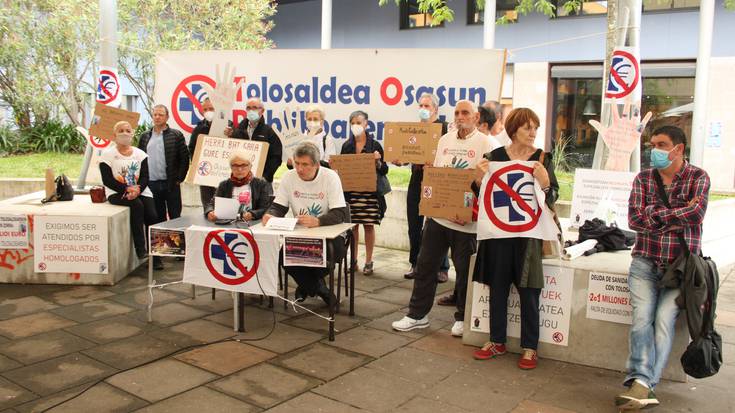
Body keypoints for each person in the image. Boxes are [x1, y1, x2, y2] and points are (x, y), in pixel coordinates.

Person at [615, 125, 710, 410]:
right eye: (652, 144)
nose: (653, 149)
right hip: (644, 262)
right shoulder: (644, 179)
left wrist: (654, 214)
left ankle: (643, 383)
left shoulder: (698, 177)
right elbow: (633, 219)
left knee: (664, 320)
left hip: (680, 268)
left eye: (660, 144)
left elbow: (697, 213)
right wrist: (675, 216)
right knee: (642, 319)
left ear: (678, 149)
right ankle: (643, 384)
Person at [392, 100, 497, 338]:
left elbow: (491, 184)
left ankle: (462, 317)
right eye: (458, 113)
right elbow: (438, 174)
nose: (460, 116)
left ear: (476, 116)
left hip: (466, 222)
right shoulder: (444, 140)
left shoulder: (487, 144)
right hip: (439, 219)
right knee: (425, 266)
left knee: (463, 273)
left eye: (466, 113)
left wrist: (471, 211)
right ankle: (417, 315)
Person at [471, 108, 558, 371]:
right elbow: (483, 195)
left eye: (535, 128)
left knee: (529, 291)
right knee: (497, 288)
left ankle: (530, 347)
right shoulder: (494, 157)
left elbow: (552, 196)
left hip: (528, 235)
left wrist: (545, 184)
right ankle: (496, 341)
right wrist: (476, 180)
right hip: (498, 234)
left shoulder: (542, 159)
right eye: (527, 128)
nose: (533, 133)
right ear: (513, 130)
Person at [262, 142, 348, 304]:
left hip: (330, 235)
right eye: (297, 163)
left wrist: (318, 221)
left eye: (305, 165)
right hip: (300, 234)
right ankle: (320, 289)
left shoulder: (330, 177)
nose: (300, 169)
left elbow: (340, 213)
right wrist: (270, 214)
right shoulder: (289, 177)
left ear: (316, 165)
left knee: (328, 257)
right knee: (283, 257)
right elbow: (278, 206)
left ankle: (306, 286)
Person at [394, 93, 452, 284]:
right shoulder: (414, 129)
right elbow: (408, 153)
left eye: (427, 106)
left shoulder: (445, 129)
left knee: (437, 225)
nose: (423, 109)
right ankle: (415, 264)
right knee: (414, 225)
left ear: (435, 109)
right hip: (417, 180)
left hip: (437, 181)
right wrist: (400, 159)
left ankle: (441, 268)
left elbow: (450, 155)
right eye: (421, 105)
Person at [100, 121, 159, 268]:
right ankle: (140, 250)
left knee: (152, 215)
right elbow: (107, 180)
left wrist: (137, 190)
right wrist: (126, 189)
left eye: (128, 130)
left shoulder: (140, 154)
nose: (125, 133)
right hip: (116, 191)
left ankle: (156, 256)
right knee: (137, 206)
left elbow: (145, 177)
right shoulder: (107, 155)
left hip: (140, 190)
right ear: (114, 135)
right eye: (121, 130)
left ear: (132, 134)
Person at [341, 110, 388, 276]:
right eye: (352, 123)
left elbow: (385, 169)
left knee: (369, 226)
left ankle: (368, 261)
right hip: (352, 193)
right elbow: (342, 169)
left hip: (369, 194)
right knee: (353, 227)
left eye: (359, 122)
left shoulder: (375, 145)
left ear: (366, 124)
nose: (356, 126)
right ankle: (353, 260)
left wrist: (377, 162)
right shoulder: (347, 146)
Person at [138, 104, 190, 227]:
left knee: (175, 216)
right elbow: (139, 158)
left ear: (167, 117)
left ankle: (177, 244)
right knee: (157, 217)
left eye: (161, 115)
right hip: (151, 184)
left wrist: (179, 178)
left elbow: (184, 159)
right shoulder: (145, 136)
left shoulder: (176, 135)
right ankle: (160, 245)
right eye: (155, 114)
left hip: (171, 183)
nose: (157, 117)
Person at [225, 97, 283, 185]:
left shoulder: (268, 132)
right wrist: (229, 137)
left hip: (262, 181)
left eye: (255, 108)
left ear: (262, 111)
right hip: (240, 180)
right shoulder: (238, 130)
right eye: (248, 108)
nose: (251, 111)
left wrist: (265, 176)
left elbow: (276, 157)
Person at [203, 151, 272, 222]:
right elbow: (212, 204)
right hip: (227, 223)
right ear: (231, 167)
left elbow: (265, 208)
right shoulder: (224, 185)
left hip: (252, 224)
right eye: (235, 166)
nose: (239, 169)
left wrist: (252, 214)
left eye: (243, 165)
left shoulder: (260, 184)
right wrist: (209, 212)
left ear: (250, 166)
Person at [188, 98, 218, 214]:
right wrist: (197, 166)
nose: (208, 111)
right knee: (208, 206)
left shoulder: (229, 127)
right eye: (205, 109)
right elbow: (192, 148)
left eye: (211, 109)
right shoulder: (199, 128)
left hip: (223, 175)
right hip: (205, 173)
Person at [287, 105, 336, 169]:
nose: (312, 122)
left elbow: (329, 164)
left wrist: (308, 162)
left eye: (315, 119)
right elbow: (293, 164)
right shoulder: (300, 139)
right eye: (309, 119)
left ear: (322, 121)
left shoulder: (327, 141)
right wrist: (290, 164)